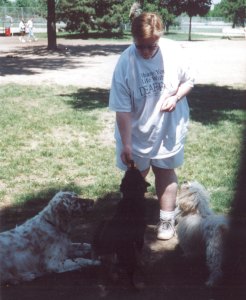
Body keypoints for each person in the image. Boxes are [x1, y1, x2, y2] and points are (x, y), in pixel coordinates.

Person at [109, 12, 194, 240]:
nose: (146, 52)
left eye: (152, 46)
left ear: (160, 37)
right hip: (136, 131)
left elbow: (189, 81)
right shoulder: (125, 63)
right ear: (133, 39)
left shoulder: (174, 52)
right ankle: (133, 222)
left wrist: (175, 97)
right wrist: (126, 143)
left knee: (165, 171)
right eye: (141, 47)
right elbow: (122, 109)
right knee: (137, 176)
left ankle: (166, 220)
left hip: (168, 128)